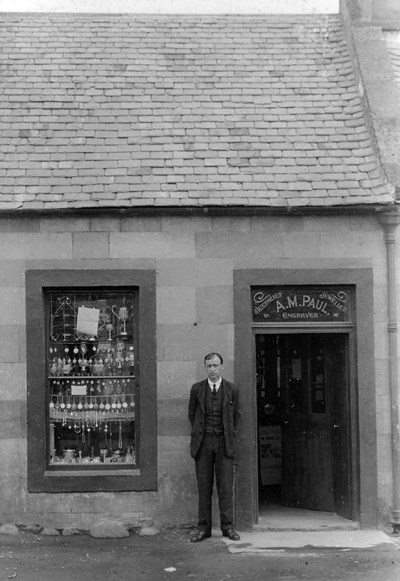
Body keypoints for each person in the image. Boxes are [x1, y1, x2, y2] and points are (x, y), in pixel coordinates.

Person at [188, 352, 240, 542]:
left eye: (215, 366)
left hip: (224, 443)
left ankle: (228, 528)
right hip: (203, 443)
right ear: (205, 367)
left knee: (226, 487)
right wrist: (201, 432)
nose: (212, 370)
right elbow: (191, 414)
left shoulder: (232, 389)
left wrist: (227, 434)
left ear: (221, 367)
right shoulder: (197, 389)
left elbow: (237, 416)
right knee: (204, 488)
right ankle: (204, 529)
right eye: (209, 366)